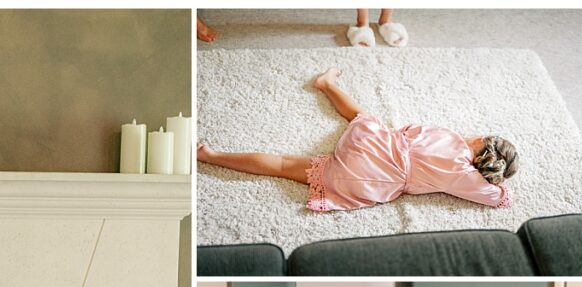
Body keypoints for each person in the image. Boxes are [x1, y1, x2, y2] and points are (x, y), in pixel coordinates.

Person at [197, 67, 517, 212]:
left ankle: (326, 84)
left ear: (480, 144)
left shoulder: (449, 138)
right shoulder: (466, 179)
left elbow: (409, 131)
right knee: (283, 166)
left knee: (362, 118)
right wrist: (491, 179)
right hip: (370, 180)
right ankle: (209, 157)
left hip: (376, 148)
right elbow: (501, 199)